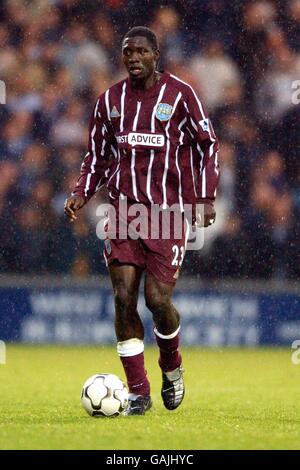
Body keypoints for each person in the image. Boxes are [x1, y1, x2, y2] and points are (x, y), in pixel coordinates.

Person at [64, 26, 219, 415]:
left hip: (168, 214)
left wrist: (204, 196)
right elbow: (97, 156)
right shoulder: (109, 101)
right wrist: (82, 192)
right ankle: (138, 391)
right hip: (123, 212)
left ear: (155, 55)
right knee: (122, 298)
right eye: (127, 52)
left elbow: (208, 144)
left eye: (140, 51)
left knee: (157, 301)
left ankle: (172, 366)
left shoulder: (181, 95)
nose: (132, 57)